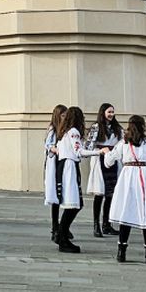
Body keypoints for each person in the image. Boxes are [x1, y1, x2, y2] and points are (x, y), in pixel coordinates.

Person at [103, 115, 146, 265]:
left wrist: (106, 153)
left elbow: (109, 162)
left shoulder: (123, 143)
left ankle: (121, 252)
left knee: (126, 213)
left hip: (128, 177)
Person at [48, 106, 89, 253]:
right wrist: (99, 152)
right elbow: (79, 151)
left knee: (74, 203)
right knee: (74, 204)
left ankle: (61, 233)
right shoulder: (73, 132)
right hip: (69, 167)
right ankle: (62, 235)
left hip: (64, 167)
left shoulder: (63, 133)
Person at [84, 103, 123, 237]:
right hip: (100, 159)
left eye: (113, 112)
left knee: (110, 194)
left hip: (113, 160)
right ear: (103, 113)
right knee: (99, 193)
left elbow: (123, 142)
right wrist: (100, 150)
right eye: (109, 112)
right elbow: (88, 146)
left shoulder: (117, 128)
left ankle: (107, 224)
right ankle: (96, 225)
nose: (111, 114)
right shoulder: (96, 127)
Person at [43, 105, 68, 243]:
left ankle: (62, 227)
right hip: (55, 163)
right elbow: (48, 145)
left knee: (64, 194)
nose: (65, 118)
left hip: (63, 163)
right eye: (63, 115)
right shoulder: (53, 128)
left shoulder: (66, 129)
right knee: (56, 196)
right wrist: (57, 150)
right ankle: (55, 227)